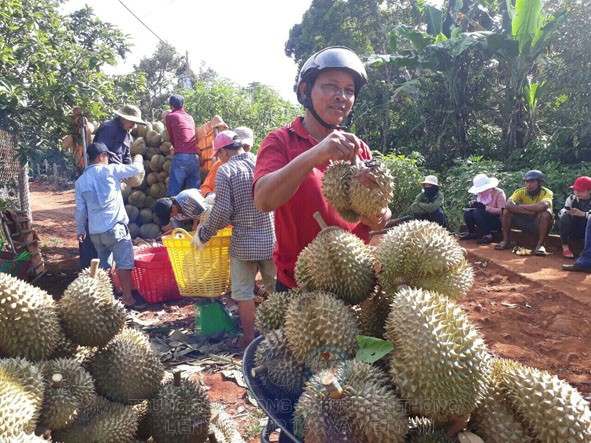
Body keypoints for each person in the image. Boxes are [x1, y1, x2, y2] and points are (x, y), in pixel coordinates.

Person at [253, 46, 391, 292]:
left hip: (355, 282)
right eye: (331, 86)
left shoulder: (359, 150)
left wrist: (380, 216)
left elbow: (377, 217)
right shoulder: (281, 141)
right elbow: (263, 200)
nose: (341, 96)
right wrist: (316, 154)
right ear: (306, 91)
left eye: (349, 90)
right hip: (300, 288)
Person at [193, 130, 276, 350]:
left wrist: (204, 234)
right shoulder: (262, 162)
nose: (218, 159)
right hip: (271, 238)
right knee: (278, 290)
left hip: (244, 243)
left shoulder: (226, 171)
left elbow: (221, 213)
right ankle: (285, 336)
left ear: (223, 152)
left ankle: (248, 337)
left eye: (218, 154)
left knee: (243, 292)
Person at [74, 142, 145, 309]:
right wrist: (138, 158)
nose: (108, 160)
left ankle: (106, 301)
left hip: (96, 232)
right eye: (107, 157)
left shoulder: (80, 182)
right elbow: (135, 170)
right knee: (124, 265)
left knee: (103, 267)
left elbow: (80, 209)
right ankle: (127, 298)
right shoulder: (110, 170)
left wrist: (80, 229)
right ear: (101, 157)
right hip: (115, 229)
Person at [78, 104, 147, 269]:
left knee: (109, 218)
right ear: (124, 118)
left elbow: (126, 158)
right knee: (97, 217)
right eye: (132, 122)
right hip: (103, 179)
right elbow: (100, 155)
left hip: (114, 178)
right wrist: (123, 170)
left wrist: (128, 175)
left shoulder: (127, 135)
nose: (134, 126)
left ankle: (105, 270)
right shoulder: (108, 129)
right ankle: (91, 266)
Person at [494, 170, 553, 256]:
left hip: (538, 223)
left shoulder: (546, 192)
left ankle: (540, 245)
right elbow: (508, 204)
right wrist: (530, 211)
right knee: (506, 211)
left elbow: (542, 206)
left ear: (539, 183)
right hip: (524, 220)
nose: (529, 184)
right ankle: (506, 240)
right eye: (527, 182)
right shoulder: (520, 191)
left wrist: (520, 206)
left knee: (546, 214)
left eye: (532, 182)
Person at [201, 126, 254, 205]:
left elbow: (223, 210)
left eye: (247, 147)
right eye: (243, 146)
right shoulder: (219, 165)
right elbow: (205, 187)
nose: (245, 149)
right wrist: (209, 196)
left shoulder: (225, 169)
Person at [165, 94, 200, 196]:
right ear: (184, 105)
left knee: (173, 192)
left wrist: (175, 147)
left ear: (171, 106)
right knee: (196, 193)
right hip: (194, 158)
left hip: (181, 157)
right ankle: (198, 211)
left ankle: (170, 210)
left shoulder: (170, 116)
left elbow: (171, 137)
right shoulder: (190, 117)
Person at [459, 173, 506, 244]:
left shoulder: (499, 193)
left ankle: (488, 236)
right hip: (483, 219)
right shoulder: (481, 195)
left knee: (477, 212)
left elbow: (502, 211)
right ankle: (472, 233)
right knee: (468, 213)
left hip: (496, 221)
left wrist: (485, 208)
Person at [558, 176, 591, 259]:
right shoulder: (571, 198)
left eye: (581, 191)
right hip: (574, 228)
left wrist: (583, 214)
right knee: (565, 218)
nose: (577, 193)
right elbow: (561, 212)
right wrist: (567, 212)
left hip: (587, 229)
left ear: (589, 191)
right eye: (576, 190)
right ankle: (565, 247)